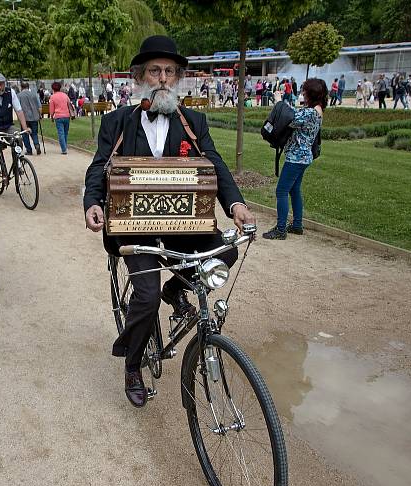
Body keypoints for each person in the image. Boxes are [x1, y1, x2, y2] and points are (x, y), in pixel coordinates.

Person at [83, 35, 255, 408]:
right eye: (155, 71)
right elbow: (99, 165)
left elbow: (215, 163)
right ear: (140, 77)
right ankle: (132, 365)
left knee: (224, 254)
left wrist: (236, 204)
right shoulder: (117, 122)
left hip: (184, 225)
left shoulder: (194, 121)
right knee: (144, 297)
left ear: (178, 78)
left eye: (170, 72)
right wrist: (92, 203)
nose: (163, 78)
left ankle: (176, 291)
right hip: (133, 228)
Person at [262, 78, 325, 241]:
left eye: (305, 90)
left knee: (281, 191)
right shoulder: (317, 110)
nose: (302, 93)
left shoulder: (310, 113)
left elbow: (288, 118)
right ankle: (297, 225)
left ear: (311, 93)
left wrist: (278, 102)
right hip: (304, 157)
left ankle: (281, 229)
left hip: (296, 158)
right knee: (294, 190)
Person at [17, 81, 42, 155]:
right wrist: (40, 115)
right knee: (34, 133)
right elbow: (39, 106)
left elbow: (18, 108)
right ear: (28, 87)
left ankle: (29, 150)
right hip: (34, 117)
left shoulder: (19, 95)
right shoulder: (34, 94)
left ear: (21, 87)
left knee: (25, 134)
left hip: (24, 118)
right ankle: (36, 144)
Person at [49, 81, 74, 155]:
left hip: (58, 116)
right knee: (65, 133)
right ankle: (65, 146)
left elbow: (51, 109)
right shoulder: (65, 95)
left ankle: (64, 149)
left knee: (61, 133)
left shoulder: (53, 97)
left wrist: (51, 116)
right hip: (66, 116)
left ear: (53, 88)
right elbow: (69, 104)